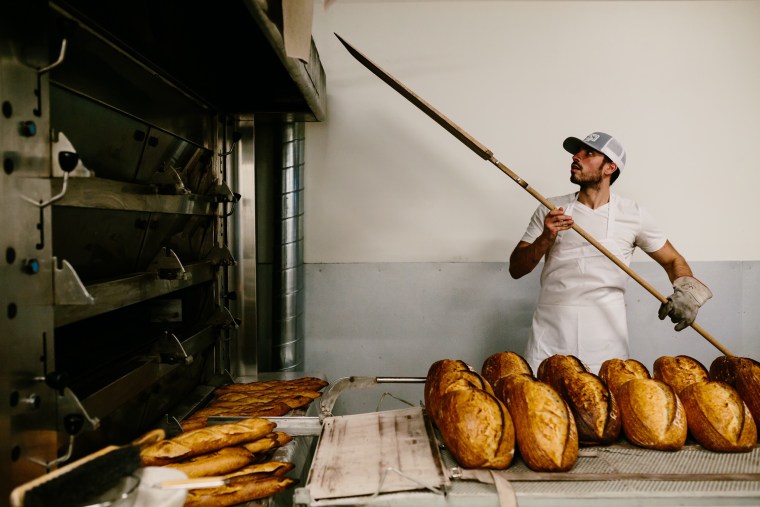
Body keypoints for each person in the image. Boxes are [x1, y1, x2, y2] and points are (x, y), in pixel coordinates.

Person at [509, 132, 712, 374]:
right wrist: (546, 237)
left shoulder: (633, 214)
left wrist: (686, 292)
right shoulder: (550, 209)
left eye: (589, 153)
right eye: (577, 152)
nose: (576, 157)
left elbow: (673, 260)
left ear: (610, 167)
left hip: (606, 341)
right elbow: (516, 269)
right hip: (550, 335)